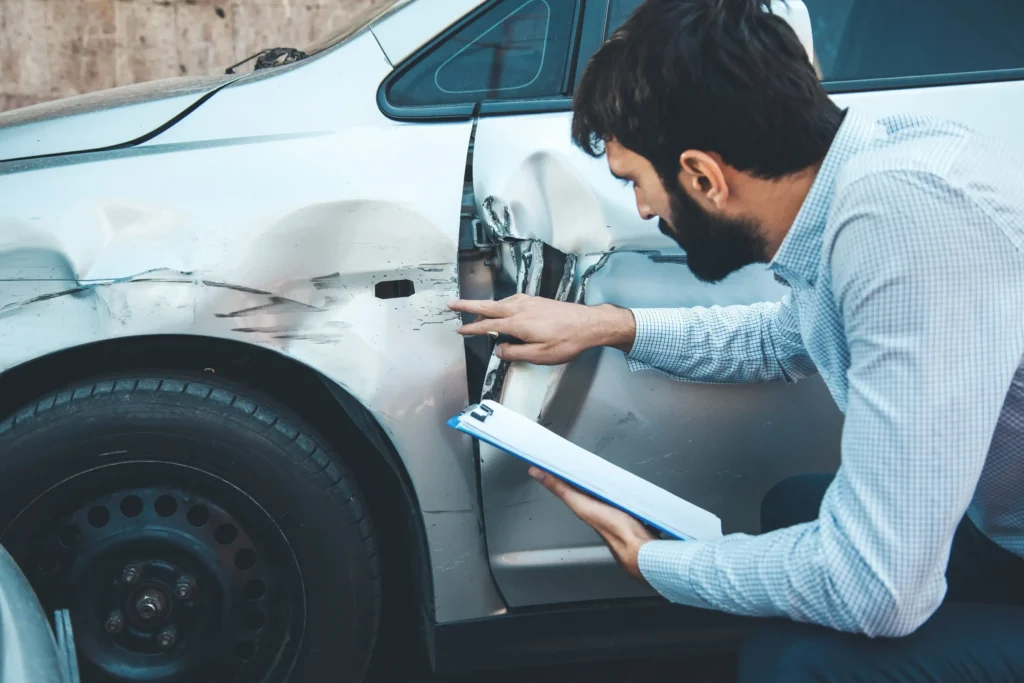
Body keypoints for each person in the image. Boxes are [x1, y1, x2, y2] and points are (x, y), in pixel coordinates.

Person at [448, 0, 1024, 680]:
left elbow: (879, 587)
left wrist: (658, 564)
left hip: (992, 544)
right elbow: (783, 339)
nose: (641, 211)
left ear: (703, 176)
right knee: (794, 508)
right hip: (1003, 532)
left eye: (635, 181)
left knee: (795, 664)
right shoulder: (867, 171)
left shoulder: (900, 225)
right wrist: (607, 326)